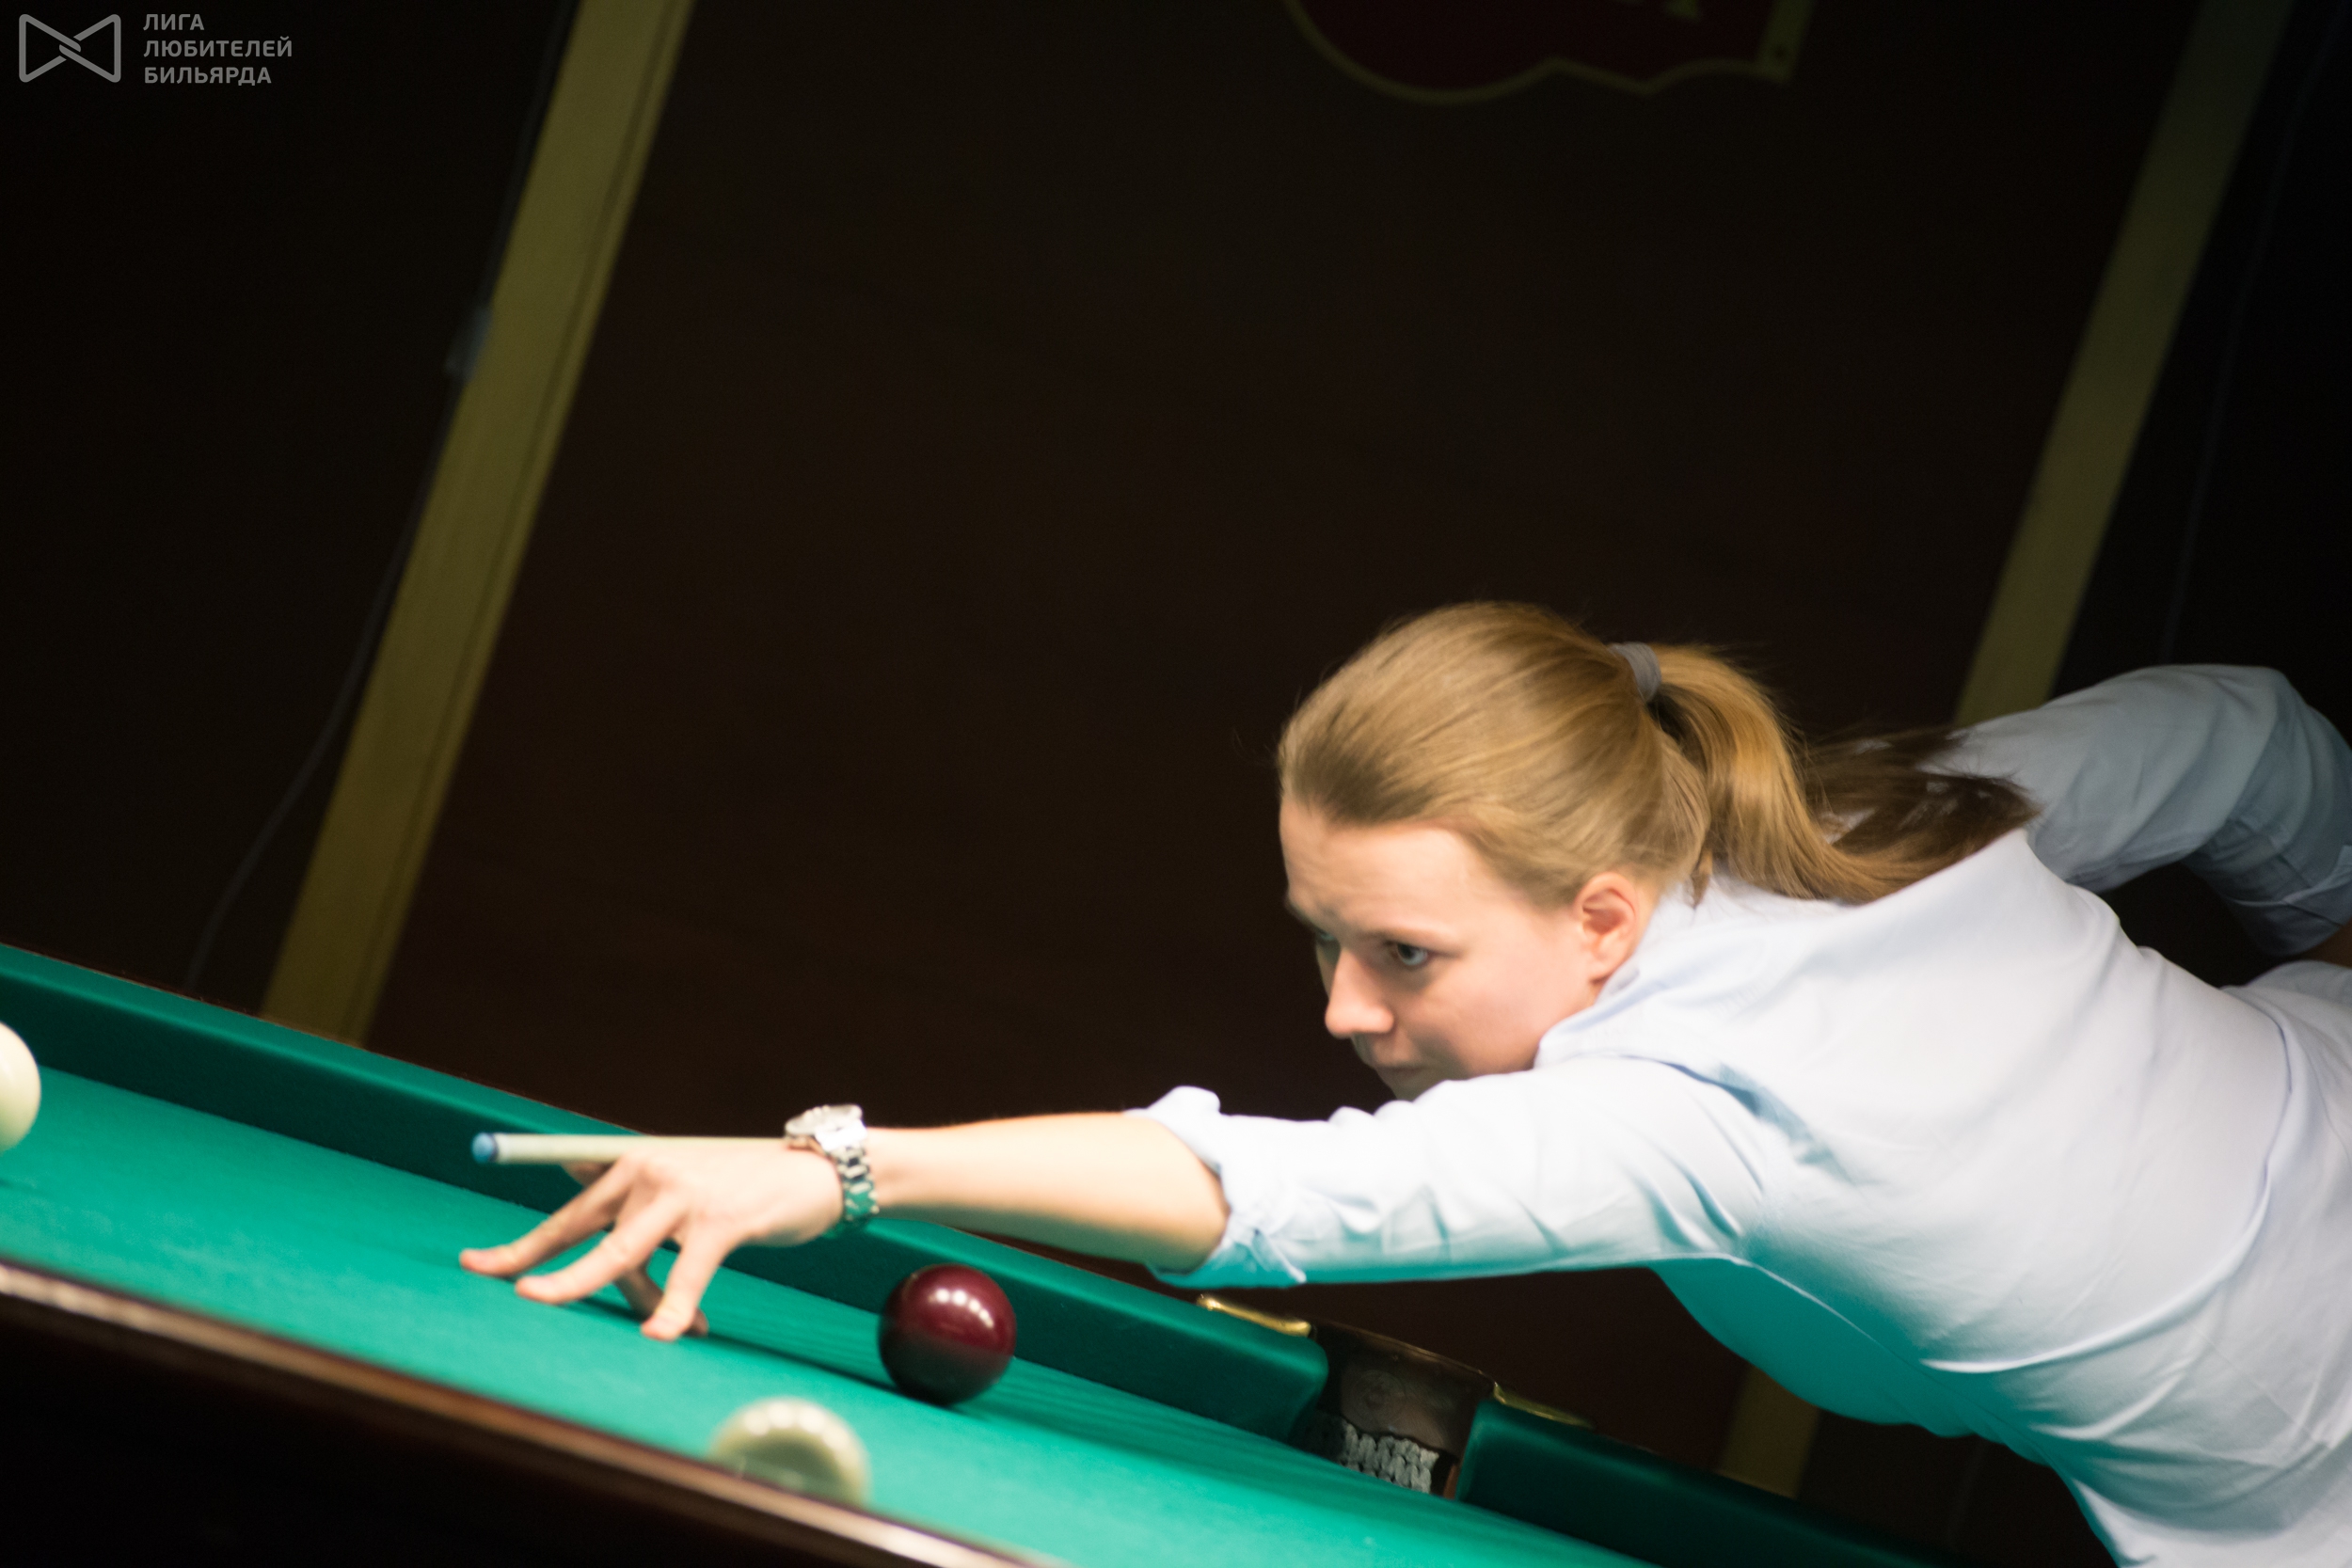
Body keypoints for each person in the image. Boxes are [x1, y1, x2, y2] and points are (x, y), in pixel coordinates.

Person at [461, 603, 2352, 1566]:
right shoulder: (1869, 822)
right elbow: (2245, 735)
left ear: (1600, 916)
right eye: (1323, 937)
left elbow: (1260, 1193)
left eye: (1406, 955)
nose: (1346, 1010)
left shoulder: (1699, 1117)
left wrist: (834, 1168)